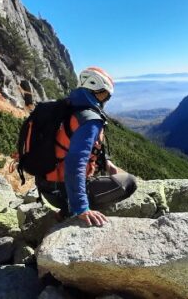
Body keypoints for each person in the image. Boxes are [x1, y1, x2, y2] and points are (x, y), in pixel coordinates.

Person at [35, 67, 137, 226]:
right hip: (62, 193)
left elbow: (66, 142)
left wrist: (107, 162)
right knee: (129, 182)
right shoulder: (89, 120)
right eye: (104, 95)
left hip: (46, 186)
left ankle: (68, 207)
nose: (104, 100)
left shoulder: (66, 106)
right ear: (94, 91)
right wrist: (81, 208)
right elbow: (75, 163)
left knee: (103, 172)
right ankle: (70, 211)